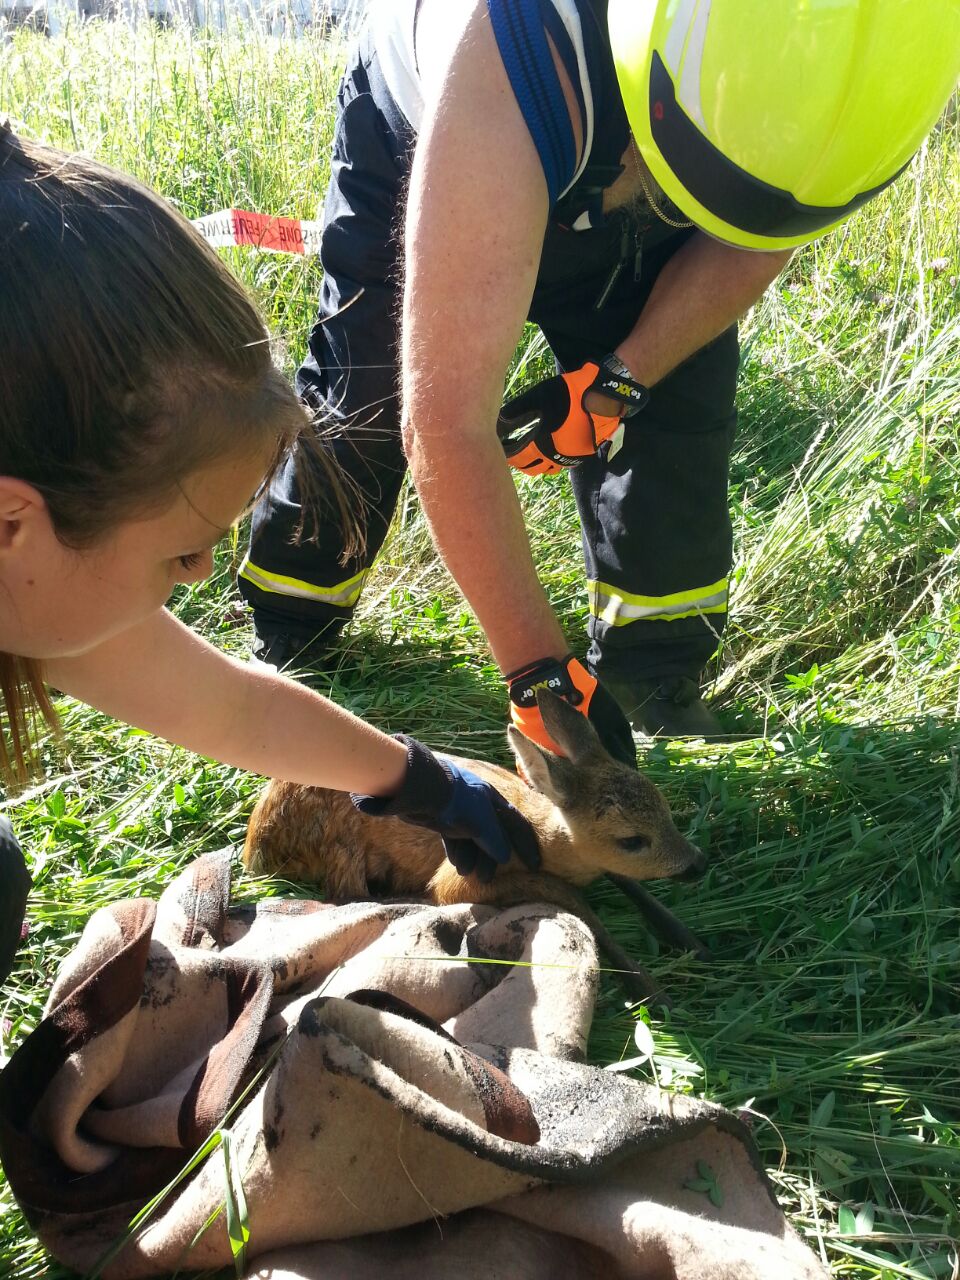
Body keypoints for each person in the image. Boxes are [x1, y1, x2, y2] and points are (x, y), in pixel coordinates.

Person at [240, 0, 960, 747]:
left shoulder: (857, 89)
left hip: (612, 125)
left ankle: (652, 673)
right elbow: (445, 424)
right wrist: (539, 675)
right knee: (370, 392)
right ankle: (293, 628)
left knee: (677, 407)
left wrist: (622, 378)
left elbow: (764, 232)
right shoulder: (511, 55)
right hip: (450, 124)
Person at [0, 126, 540, 986]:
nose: (199, 577)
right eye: (182, 551)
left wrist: (418, 781)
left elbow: (231, 708)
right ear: (12, 523)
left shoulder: (29, 583)